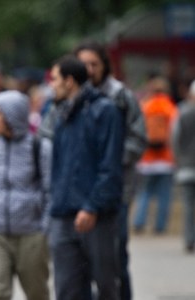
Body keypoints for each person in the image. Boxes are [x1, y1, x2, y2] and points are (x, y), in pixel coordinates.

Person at [47, 56, 124, 300]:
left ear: (70, 82)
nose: (52, 85)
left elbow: (110, 165)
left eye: (55, 79)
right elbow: (58, 166)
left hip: (96, 215)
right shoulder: (61, 114)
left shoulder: (105, 110)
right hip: (63, 213)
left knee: (105, 285)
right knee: (67, 289)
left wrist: (92, 206)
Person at [75, 41, 147, 300]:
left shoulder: (120, 95)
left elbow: (138, 139)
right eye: (84, 65)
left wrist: (109, 159)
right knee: (80, 259)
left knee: (115, 256)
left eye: (95, 64)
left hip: (116, 189)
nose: (90, 70)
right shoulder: (71, 96)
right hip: (78, 192)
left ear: (105, 65)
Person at [0, 90, 51, 300]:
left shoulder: (39, 147)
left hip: (31, 233)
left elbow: (50, 189)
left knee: (36, 292)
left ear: (12, 116)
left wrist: (45, 227)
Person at [133, 76, 178, 234]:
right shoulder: (170, 108)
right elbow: (175, 134)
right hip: (166, 158)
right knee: (164, 194)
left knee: (144, 192)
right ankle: (160, 225)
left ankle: (139, 221)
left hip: (147, 158)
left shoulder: (145, 106)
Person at [171, 79, 195, 254]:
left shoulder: (181, 113)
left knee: (188, 207)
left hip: (186, 168)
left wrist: (178, 159)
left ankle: (189, 239)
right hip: (187, 166)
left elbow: (174, 139)